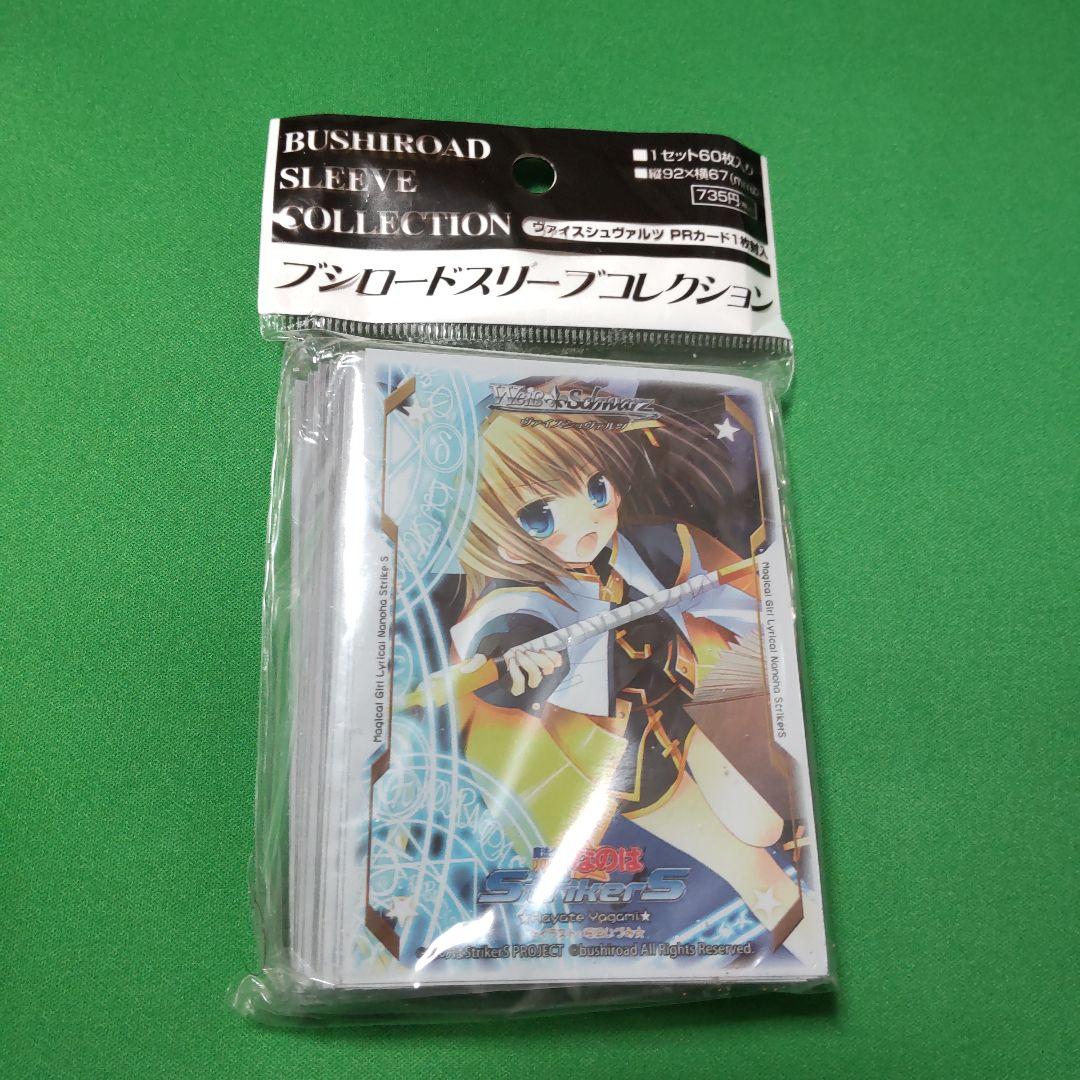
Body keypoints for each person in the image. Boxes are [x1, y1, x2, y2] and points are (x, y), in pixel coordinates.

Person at [447, 384, 819, 963]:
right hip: (624, 757)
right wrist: (513, 663)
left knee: (764, 822)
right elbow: (500, 643)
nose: (586, 522)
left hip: (682, 703)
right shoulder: (517, 604)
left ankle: (794, 891)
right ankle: (798, 933)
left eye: (595, 489)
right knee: (746, 865)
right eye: (540, 516)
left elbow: (725, 587)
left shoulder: (645, 547)